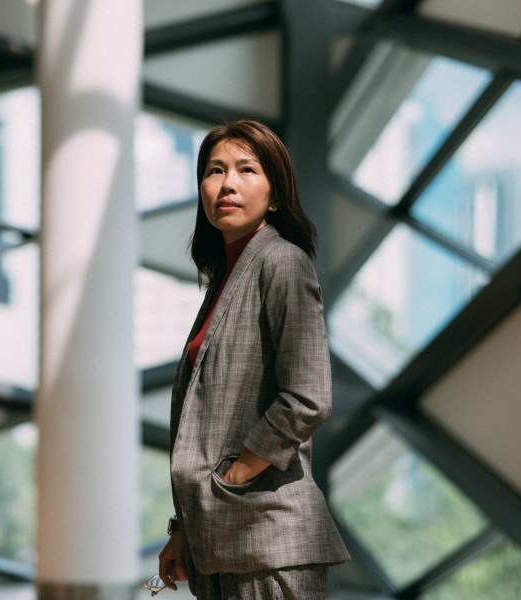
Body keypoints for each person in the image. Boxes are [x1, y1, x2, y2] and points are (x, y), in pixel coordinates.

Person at [157, 119, 350, 599]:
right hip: (220, 544)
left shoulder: (281, 261)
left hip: (268, 539)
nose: (228, 184)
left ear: (276, 195)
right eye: (215, 170)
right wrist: (182, 529)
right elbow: (206, 427)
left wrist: (234, 475)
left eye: (247, 170)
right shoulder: (225, 279)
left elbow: (308, 397)